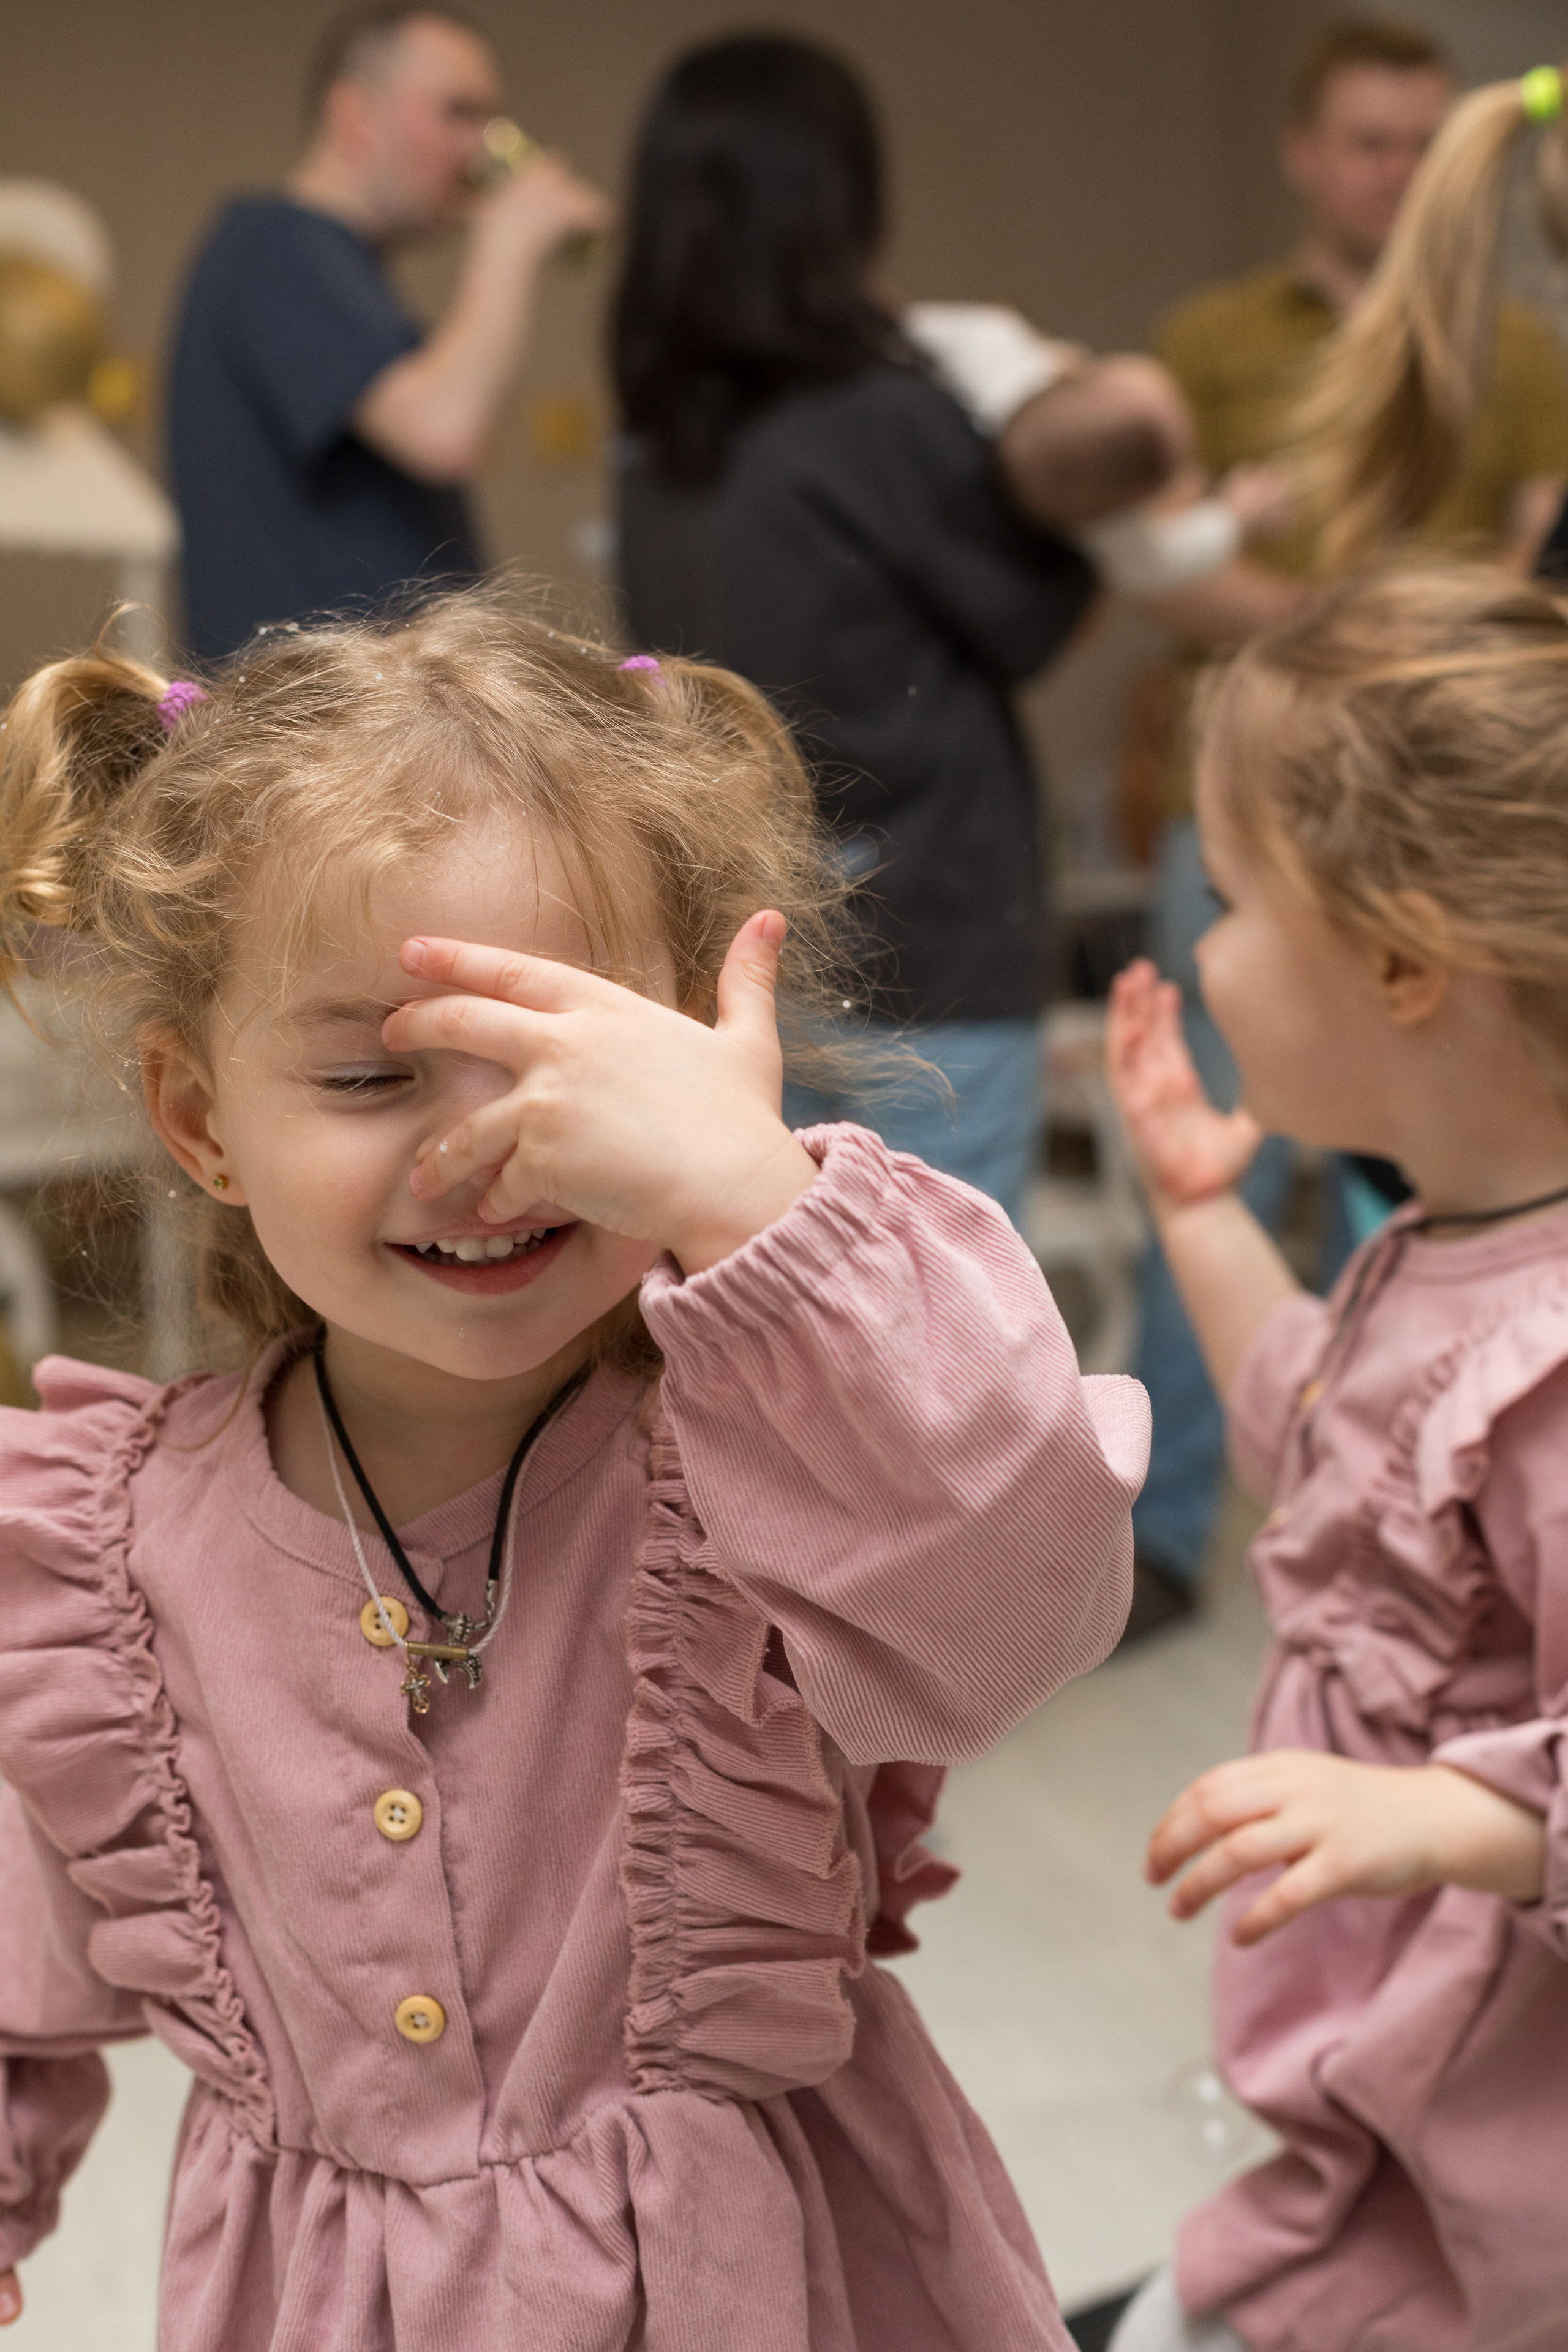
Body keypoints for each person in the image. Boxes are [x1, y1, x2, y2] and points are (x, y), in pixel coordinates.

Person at [0, 590, 1150, 2346]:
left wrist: (754, 1209)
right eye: (375, 1075)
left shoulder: (792, 1447)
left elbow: (1018, 1605)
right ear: (198, 1119)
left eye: (572, 1063)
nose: (485, 1150)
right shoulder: (103, 1556)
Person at [1102, 562, 1568, 2352]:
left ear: (1395, 959)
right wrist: (1206, 1210)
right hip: (1392, 2069)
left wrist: (1443, 1811)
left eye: (1228, 900)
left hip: (1493, 2123)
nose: (1199, 948)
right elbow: (1329, 1442)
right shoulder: (1446, 1235)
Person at [1128, 15, 1568, 1634]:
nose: (1388, 171)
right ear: (1308, 155)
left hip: (1430, 814)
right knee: (1254, 1154)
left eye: (1412, 141)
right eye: (1362, 142)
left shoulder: (1523, 355)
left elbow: (1526, 576)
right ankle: (1174, 1536)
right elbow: (1158, 547)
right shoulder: (1215, 334)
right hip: (1264, 771)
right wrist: (1324, 661)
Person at [613, 34, 1101, 1227]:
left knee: (770, 1314)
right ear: (837, 199)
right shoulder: (881, 414)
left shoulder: (655, 446)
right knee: (941, 1328)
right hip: (924, 950)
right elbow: (1033, 612)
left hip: (746, 942)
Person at [167, 6, 610, 659]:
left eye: (490, 119)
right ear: (355, 113)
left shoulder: (338, 268)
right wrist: (507, 240)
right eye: (457, 112)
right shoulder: (275, 245)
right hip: (313, 737)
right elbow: (443, 427)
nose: (480, 148)